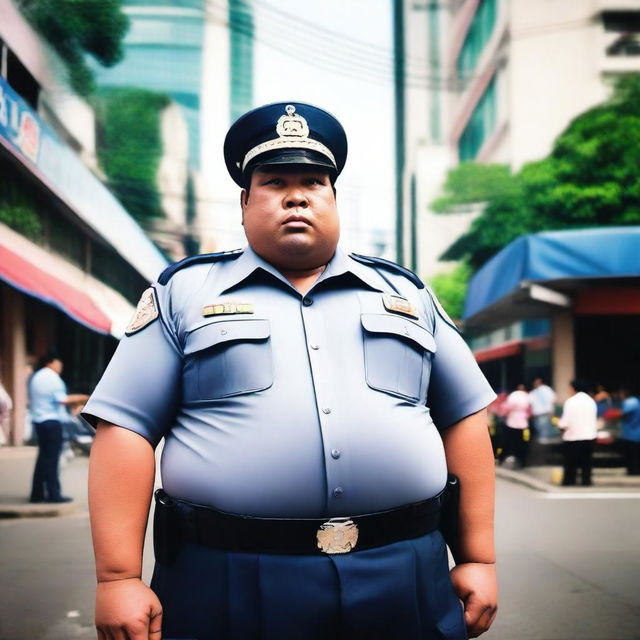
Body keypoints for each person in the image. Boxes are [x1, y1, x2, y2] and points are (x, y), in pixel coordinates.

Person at [83, 102, 498, 640]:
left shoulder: (407, 294)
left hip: (404, 571)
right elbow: (126, 427)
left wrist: (479, 558)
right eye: (274, 181)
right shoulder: (182, 293)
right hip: (227, 576)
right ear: (244, 201)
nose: (296, 195)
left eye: (313, 181)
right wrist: (117, 577)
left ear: (332, 197)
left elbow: (464, 418)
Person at [29, 352, 89, 503]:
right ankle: (53, 494)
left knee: (43, 458)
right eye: (58, 363)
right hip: (51, 421)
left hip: (39, 421)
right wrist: (84, 397)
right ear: (50, 363)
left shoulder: (37, 377)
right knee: (51, 459)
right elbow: (62, 400)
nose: (60, 366)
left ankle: (37, 494)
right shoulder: (51, 378)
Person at [557, 379, 597, 486]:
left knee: (570, 463)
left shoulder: (571, 401)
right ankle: (586, 481)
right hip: (589, 436)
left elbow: (566, 422)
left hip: (573, 437)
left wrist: (560, 425)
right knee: (586, 462)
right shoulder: (591, 401)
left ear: (574, 388)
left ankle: (569, 481)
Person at [501, 383, 531, 468]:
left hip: (512, 423)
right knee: (522, 443)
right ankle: (522, 461)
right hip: (523, 424)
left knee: (512, 443)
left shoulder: (514, 395)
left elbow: (506, 409)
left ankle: (511, 459)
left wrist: (504, 415)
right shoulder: (527, 396)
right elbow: (530, 411)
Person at [529, 377, 556, 444]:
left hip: (545, 412)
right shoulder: (533, 392)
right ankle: (543, 440)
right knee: (539, 427)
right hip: (537, 413)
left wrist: (551, 410)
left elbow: (553, 399)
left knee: (544, 427)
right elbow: (530, 402)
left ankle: (544, 441)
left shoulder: (546, 389)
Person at [619, 388, 640, 475]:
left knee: (632, 455)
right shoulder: (636, 401)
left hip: (631, 434)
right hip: (634, 433)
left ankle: (633, 471)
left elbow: (621, 413)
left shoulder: (630, 402)